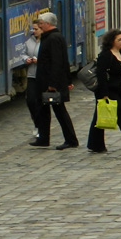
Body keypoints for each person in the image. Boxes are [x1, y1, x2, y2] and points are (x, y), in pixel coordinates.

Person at [32, 12, 79, 149]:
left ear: (47, 24)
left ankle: (71, 140)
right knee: (43, 110)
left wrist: (53, 84)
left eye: (41, 23)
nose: (39, 26)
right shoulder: (51, 37)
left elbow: (58, 62)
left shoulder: (53, 38)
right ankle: (43, 138)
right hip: (47, 82)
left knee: (60, 111)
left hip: (52, 84)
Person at [22, 22, 43, 139]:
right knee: (30, 100)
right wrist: (26, 59)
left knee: (41, 102)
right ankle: (37, 123)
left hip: (42, 76)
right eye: (33, 29)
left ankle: (42, 127)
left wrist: (38, 60)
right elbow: (23, 54)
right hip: (31, 75)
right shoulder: (29, 42)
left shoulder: (45, 42)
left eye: (36, 29)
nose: (34, 31)